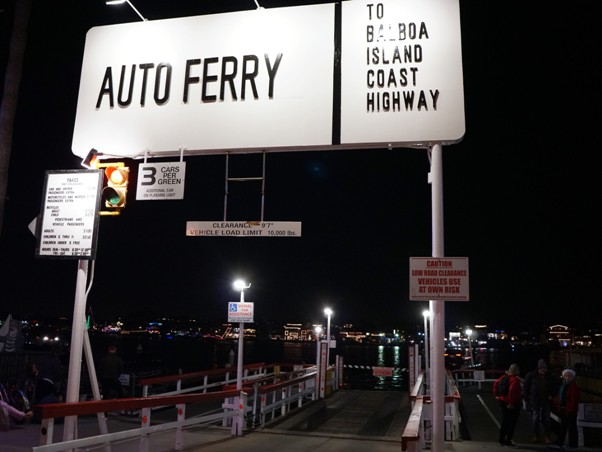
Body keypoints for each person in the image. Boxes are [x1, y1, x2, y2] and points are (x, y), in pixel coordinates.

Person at [524, 358, 556, 444]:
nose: (543, 370)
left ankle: (547, 437)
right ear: (538, 368)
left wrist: (552, 395)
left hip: (546, 401)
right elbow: (526, 387)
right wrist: (527, 399)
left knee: (547, 419)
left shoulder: (550, 377)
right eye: (541, 368)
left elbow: (555, 387)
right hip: (535, 401)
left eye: (544, 368)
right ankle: (536, 436)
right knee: (535, 419)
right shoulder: (531, 376)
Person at [548, 368, 580, 450]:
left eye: (569, 376)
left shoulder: (572, 387)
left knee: (569, 427)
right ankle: (567, 443)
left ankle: (565, 443)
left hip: (569, 410)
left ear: (572, 377)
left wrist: (570, 410)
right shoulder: (564, 386)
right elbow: (561, 397)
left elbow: (573, 399)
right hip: (564, 409)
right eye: (566, 376)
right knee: (565, 426)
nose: (567, 377)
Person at [494, 363, 523, 448]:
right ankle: (508, 441)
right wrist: (511, 403)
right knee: (512, 423)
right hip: (512, 404)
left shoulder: (504, 377)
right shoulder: (515, 380)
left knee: (505, 421)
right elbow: (512, 391)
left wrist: (496, 395)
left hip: (503, 401)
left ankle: (501, 440)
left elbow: (495, 383)